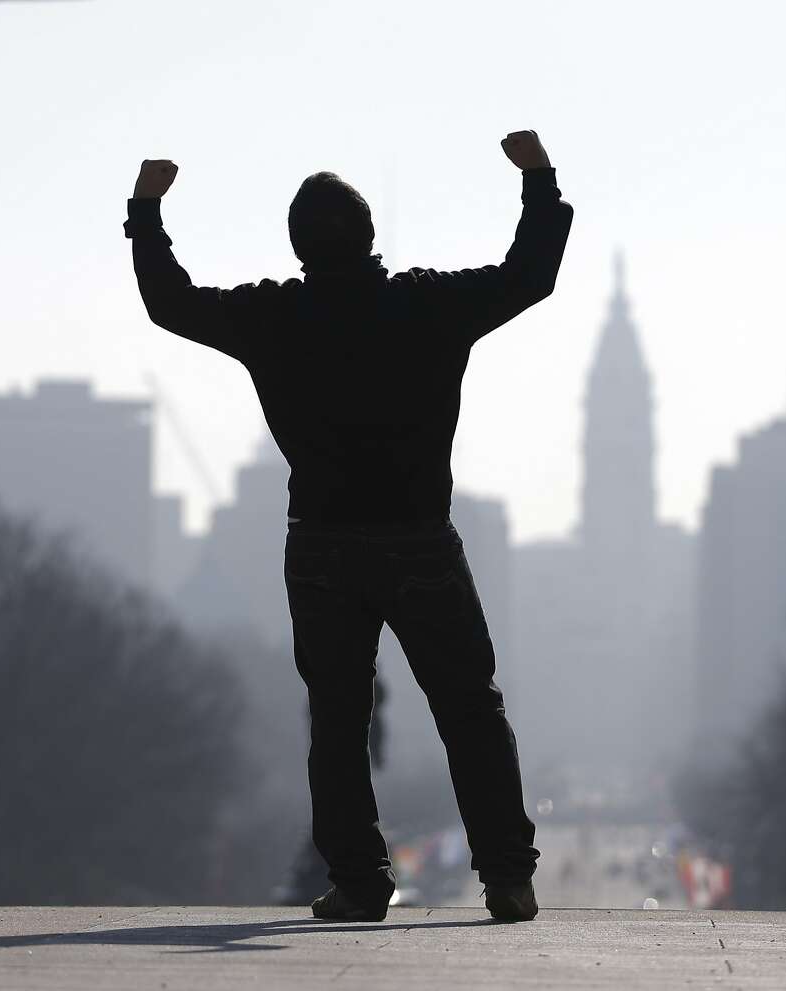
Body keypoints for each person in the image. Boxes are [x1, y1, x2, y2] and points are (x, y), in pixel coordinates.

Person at [124, 131, 574, 922]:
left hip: (324, 545)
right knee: (469, 709)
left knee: (337, 720)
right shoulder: (429, 305)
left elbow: (171, 302)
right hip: (420, 541)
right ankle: (507, 874)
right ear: (371, 237)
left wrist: (148, 208)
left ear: (297, 245)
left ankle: (361, 881)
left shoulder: (273, 317)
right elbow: (529, 276)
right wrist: (538, 178)